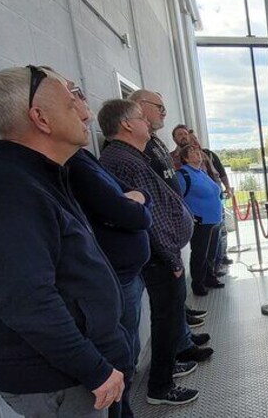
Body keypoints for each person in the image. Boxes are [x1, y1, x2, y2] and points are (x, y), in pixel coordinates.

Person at [0, 66, 129, 417]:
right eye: (72, 103)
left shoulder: (42, 178)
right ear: (40, 118)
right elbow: (29, 302)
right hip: (61, 380)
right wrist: (94, 369)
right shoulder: (6, 191)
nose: (86, 112)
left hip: (80, 371)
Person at [98, 99, 201, 406]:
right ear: (126, 124)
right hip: (158, 257)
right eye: (141, 118)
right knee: (167, 318)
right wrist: (171, 258)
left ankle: (166, 368)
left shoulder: (131, 155)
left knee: (168, 317)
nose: (148, 123)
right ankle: (160, 386)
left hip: (161, 254)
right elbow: (149, 218)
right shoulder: (123, 161)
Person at [67, 97, 153, 418]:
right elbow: (128, 212)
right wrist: (134, 204)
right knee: (120, 357)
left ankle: (125, 409)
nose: (83, 104)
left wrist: (136, 201)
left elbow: (139, 198)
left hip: (128, 273)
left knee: (125, 351)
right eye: (71, 96)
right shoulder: (77, 165)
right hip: (117, 277)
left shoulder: (85, 157)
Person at [177, 144, 225, 296]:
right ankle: (197, 283)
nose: (197, 153)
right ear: (185, 158)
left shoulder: (202, 172)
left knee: (211, 251)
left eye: (198, 151)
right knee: (200, 253)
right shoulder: (183, 174)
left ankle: (209, 277)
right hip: (200, 221)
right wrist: (191, 216)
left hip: (214, 219)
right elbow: (178, 199)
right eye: (192, 152)